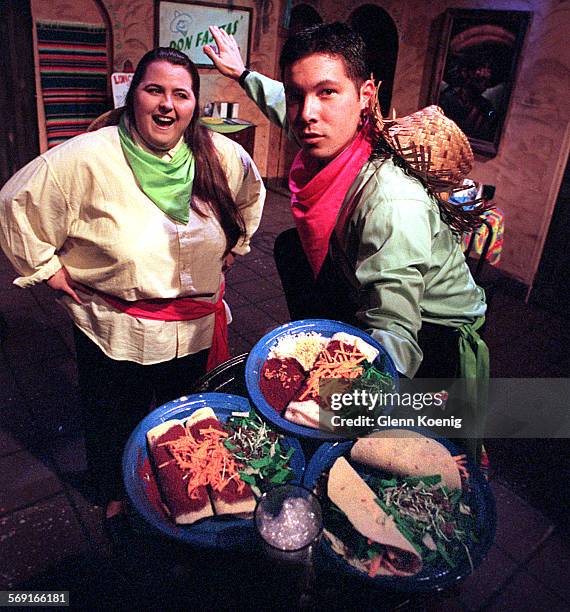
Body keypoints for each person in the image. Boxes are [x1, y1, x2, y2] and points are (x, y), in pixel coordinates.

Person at [0, 47, 265, 527]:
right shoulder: (87, 157)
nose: (167, 104)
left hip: (194, 327)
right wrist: (45, 267)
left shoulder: (220, 154)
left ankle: (180, 484)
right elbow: (17, 200)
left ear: (193, 105)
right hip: (115, 327)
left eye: (180, 95)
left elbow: (251, 193)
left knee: (181, 412)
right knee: (111, 415)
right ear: (132, 97)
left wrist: (234, 245)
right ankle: (114, 490)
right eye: (154, 90)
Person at [205, 23, 489, 461]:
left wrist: (335, 407)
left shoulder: (391, 203)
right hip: (367, 286)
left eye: (327, 93)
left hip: (434, 333)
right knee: (291, 249)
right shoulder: (344, 136)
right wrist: (245, 75)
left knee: (400, 451)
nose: (306, 114)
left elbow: (395, 328)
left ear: (366, 97)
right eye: (300, 94)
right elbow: (288, 106)